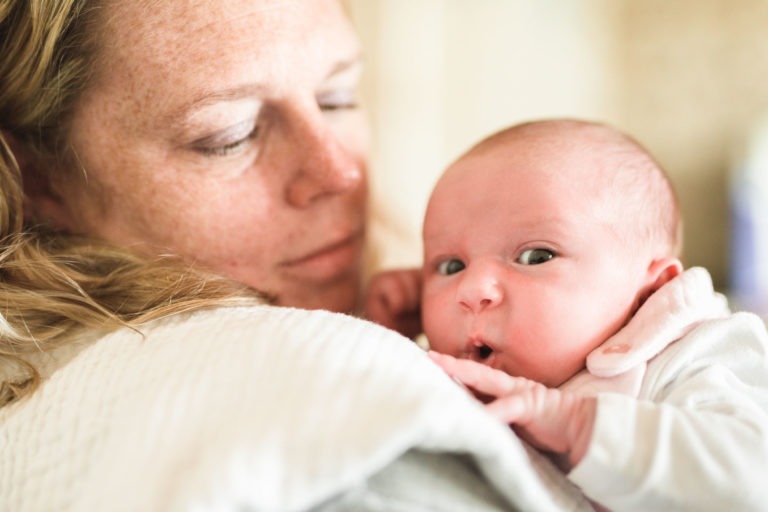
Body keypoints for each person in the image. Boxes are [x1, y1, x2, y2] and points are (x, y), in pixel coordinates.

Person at [0, 2, 606, 511]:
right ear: (40, 181)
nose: (338, 171)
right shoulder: (332, 432)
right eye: (229, 135)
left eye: (338, 96)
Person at [366, 119, 768, 510]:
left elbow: (752, 476)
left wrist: (576, 424)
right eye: (451, 266)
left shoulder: (691, 352)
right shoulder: (460, 371)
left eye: (536, 257)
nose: (470, 291)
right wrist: (392, 331)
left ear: (649, 292)